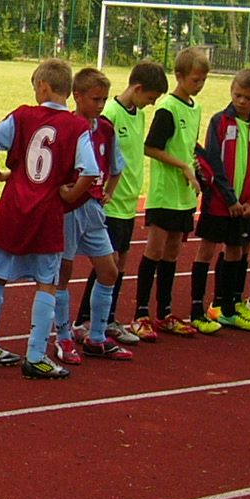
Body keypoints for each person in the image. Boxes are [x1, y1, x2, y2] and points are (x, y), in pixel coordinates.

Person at [0, 58, 97, 380]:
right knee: (47, 282)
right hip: (47, 213)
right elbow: (91, 170)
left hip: (13, 207)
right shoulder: (77, 127)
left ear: (42, 86)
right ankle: (36, 355)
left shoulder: (22, 116)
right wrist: (70, 194)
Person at [77, 60, 167, 347]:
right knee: (108, 263)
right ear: (138, 88)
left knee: (121, 262)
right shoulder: (110, 114)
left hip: (128, 202)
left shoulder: (138, 115)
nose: (151, 104)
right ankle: (86, 320)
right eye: (150, 97)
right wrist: (105, 190)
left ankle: (109, 318)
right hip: (111, 203)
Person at [51, 66, 132, 362]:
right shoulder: (67, 126)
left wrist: (108, 191)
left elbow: (116, 166)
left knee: (109, 270)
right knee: (64, 272)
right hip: (70, 210)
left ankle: (96, 337)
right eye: (95, 99)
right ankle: (63, 336)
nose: (100, 105)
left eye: (104, 99)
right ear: (77, 96)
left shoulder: (106, 129)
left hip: (94, 209)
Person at [188, 69, 250, 331]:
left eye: (248, 98)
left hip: (246, 206)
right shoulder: (221, 121)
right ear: (231, 92)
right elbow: (213, 162)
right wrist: (229, 199)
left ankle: (227, 309)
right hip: (219, 203)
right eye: (238, 95)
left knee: (236, 251)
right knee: (206, 250)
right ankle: (196, 310)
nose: (242, 101)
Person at [132, 48, 210, 337]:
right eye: (194, 80)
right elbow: (151, 147)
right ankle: (141, 313)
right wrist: (183, 166)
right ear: (179, 76)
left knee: (173, 252)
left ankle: (164, 312)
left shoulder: (195, 107)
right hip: (165, 193)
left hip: (185, 194)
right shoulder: (167, 108)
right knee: (154, 250)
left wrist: (198, 166)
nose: (199, 85)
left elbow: (189, 145)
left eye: (203, 80)